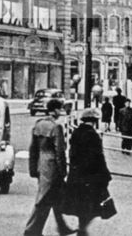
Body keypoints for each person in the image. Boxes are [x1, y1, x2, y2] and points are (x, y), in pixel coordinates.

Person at [24, 98, 76, 236]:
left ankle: (62, 227)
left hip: (41, 163)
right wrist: (63, 170)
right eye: (59, 109)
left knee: (55, 197)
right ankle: (31, 230)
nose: (60, 111)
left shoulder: (38, 124)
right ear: (54, 110)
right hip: (52, 165)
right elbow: (59, 151)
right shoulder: (55, 127)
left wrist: (33, 167)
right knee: (44, 198)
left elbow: (33, 148)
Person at [62, 108, 112, 235]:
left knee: (80, 203)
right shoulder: (93, 135)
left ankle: (81, 226)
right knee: (92, 203)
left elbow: (72, 153)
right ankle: (82, 229)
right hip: (91, 175)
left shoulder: (76, 133)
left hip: (76, 174)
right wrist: (105, 174)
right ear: (95, 121)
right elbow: (98, 157)